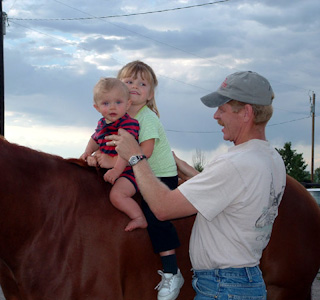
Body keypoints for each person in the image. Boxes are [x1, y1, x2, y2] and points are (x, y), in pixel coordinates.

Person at [107, 71, 286, 299]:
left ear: (246, 113)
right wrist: (194, 175)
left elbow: (163, 209)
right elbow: (235, 197)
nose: (216, 116)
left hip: (222, 288)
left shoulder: (235, 164)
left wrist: (135, 156)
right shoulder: (270, 158)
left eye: (223, 108)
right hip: (245, 281)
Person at [95, 61, 184, 300]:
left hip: (160, 175)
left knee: (157, 215)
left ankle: (172, 272)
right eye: (129, 82)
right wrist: (93, 155)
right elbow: (101, 141)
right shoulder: (114, 117)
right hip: (134, 171)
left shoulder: (147, 119)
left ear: (151, 93)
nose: (135, 86)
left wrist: (112, 162)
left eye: (142, 83)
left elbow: (145, 151)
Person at [80, 77, 147, 232]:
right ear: (96, 107)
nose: (112, 108)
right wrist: (87, 152)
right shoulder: (101, 123)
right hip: (110, 168)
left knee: (117, 195)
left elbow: (126, 150)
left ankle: (139, 217)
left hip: (130, 172)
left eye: (118, 102)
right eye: (106, 103)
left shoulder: (128, 124)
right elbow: (94, 138)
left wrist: (116, 170)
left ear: (128, 104)